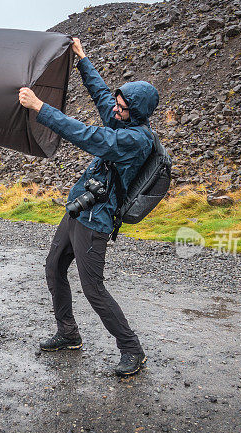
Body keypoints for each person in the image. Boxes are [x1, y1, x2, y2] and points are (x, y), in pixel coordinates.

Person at [18, 37, 159, 377]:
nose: (115, 109)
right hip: (79, 208)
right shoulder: (121, 119)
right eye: (118, 104)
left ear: (136, 112)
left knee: (93, 288)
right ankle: (68, 334)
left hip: (97, 220)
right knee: (54, 267)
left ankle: (131, 349)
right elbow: (101, 95)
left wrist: (40, 108)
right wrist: (82, 60)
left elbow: (88, 136)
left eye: (122, 107)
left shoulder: (135, 139)